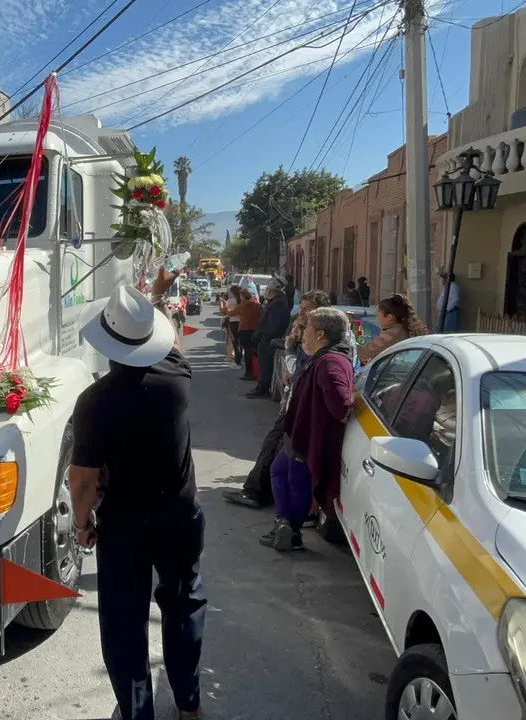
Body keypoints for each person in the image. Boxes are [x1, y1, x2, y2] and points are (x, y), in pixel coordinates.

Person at [70, 272, 205, 720]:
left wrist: (81, 523)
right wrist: (157, 299)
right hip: (180, 516)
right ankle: (188, 704)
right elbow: (170, 343)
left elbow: (84, 481)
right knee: (184, 605)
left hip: (125, 525)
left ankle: (137, 709)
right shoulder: (178, 376)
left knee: (125, 622)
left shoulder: (96, 402)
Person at [222, 289, 332, 509]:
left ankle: (266, 499)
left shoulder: (323, 337)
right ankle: (265, 497)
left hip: (305, 408)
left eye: (307, 309)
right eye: (300, 308)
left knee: (280, 454)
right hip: (295, 401)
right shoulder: (301, 329)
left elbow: (310, 368)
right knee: (275, 451)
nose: (301, 313)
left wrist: (293, 363)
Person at [262, 307, 354, 551]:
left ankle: (291, 533)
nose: (303, 335)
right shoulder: (323, 358)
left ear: (321, 334)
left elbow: (342, 405)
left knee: (297, 483)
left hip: (310, 438)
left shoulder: (331, 362)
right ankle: (284, 523)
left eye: (307, 330)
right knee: (278, 471)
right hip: (298, 434)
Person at [247, 280, 292, 399]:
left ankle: (262, 389)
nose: (266, 292)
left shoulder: (278, 304)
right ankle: (261, 387)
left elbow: (272, 325)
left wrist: (263, 335)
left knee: (265, 365)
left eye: (267, 290)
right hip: (269, 339)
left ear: (272, 291)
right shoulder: (277, 302)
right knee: (264, 365)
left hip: (269, 340)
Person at [359, 294, 430, 364]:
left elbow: (365, 352)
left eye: (378, 315)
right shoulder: (403, 329)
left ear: (389, 317)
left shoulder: (392, 334)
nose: (377, 318)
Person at [222, 286, 261, 379]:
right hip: (255, 330)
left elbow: (230, 313)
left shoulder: (243, 305)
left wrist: (223, 304)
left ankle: (249, 373)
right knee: (255, 352)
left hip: (244, 330)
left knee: (247, 352)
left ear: (242, 296)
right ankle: (257, 371)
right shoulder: (257, 305)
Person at [221, 287, 243, 368]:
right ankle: (240, 359)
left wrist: (223, 301)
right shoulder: (241, 300)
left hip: (233, 322)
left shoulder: (230, 301)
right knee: (240, 342)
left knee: (235, 342)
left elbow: (225, 311)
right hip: (241, 322)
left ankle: (237, 361)